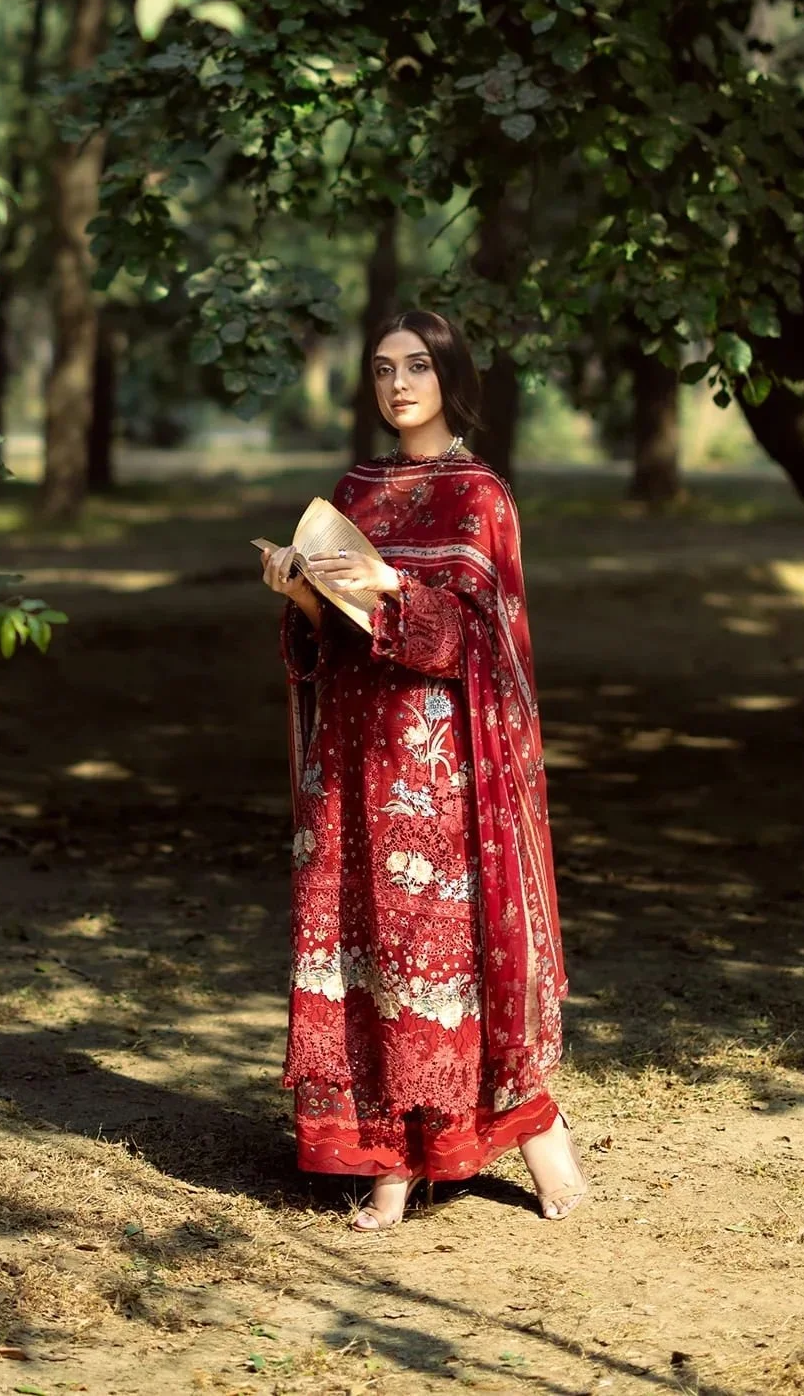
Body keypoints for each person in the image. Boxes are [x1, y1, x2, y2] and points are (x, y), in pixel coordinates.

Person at [261, 310, 586, 1231]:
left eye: (415, 367)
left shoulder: (480, 496)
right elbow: (333, 637)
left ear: (449, 377)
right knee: (360, 948)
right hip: (350, 759)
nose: (398, 385)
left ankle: (532, 1134)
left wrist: (397, 590)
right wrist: (301, 594)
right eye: (381, 369)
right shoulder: (353, 492)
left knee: (438, 957)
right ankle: (388, 1159)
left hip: (439, 769)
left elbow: (479, 647)